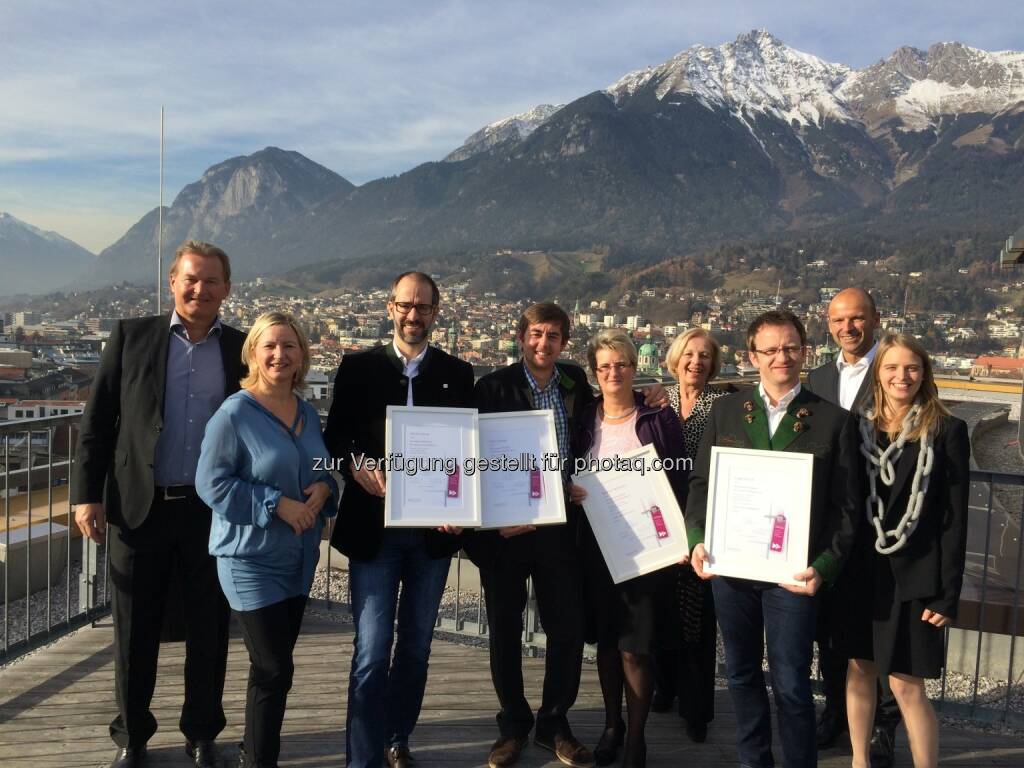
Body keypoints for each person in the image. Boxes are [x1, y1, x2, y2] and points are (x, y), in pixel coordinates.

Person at [466, 303, 665, 768]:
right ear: (521, 337)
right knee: (505, 634)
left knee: (567, 631)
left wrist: (653, 395)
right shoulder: (492, 387)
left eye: (553, 336)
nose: (543, 343)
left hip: (563, 530)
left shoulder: (575, 380)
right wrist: (486, 525)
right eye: (536, 334)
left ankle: (555, 721)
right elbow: (469, 457)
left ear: (564, 342)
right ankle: (513, 724)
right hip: (507, 531)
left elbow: (615, 400)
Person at [72, 241, 243, 768]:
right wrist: (85, 496)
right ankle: (132, 737)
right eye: (191, 279)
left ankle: (201, 733)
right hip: (137, 508)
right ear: (172, 282)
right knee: (133, 630)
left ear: (226, 289)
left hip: (210, 511)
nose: (200, 289)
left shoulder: (241, 347)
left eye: (212, 281)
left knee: (209, 629)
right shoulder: (131, 336)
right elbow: (98, 423)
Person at [687, 309, 861, 768]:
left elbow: (846, 511)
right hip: (733, 569)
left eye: (790, 348)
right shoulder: (727, 409)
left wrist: (823, 569)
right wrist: (697, 540)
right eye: (771, 349)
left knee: (791, 683)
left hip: (794, 576)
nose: (781, 357)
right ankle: (753, 761)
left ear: (804, 352)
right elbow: (703, 484)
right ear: (752, 356)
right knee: (741, 676)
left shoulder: (833, 421)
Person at [323, 271, 474, 768]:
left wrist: (462, 508)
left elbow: (466, 453)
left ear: (436, 311)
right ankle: (361, 760)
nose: (414, 315)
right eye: (405, 305)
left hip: (432, 533)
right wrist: (354, 462)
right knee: (370, 652)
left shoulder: (458, 372)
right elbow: (336, 438)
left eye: (423, 307)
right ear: (390, 308)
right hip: (374, 531)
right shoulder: (357, 366)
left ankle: (397, 737)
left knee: (416, 648)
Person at [196, 312, 339, 768]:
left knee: (273, 669)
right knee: (274, 668)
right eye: (270, 346)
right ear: (253, 353)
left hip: (297, 560)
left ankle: (254, 749)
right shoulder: (234, 414)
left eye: (289, 346)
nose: (280, 354)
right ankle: (260, 759)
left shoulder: (307, 413)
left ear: (302, 356)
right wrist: (275, 504)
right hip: (248, 559)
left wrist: (326, 488)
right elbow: (211, 484)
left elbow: (319, 468)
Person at [844, 334, 969, 768]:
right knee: (859, 670)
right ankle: (860, 761)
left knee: (905, 684)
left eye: (912, 367)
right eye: (892, 368)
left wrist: (947, 594)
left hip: (916, 579)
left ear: (924, 373)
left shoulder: (947, 431)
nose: (902, 376)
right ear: (878, 375)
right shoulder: (856, 427)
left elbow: (955, 519)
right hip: (861, 573)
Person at [572, 329, 688, 768]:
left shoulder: (658, 417)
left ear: (634, 369)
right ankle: (611, 725)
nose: (613, 372)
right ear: (595, 373)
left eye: (621, 364)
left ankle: (636, 737)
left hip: (648, 552)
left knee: (634, 649)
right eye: (604, 366)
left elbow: (677, 481)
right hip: (597, 547)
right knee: (606, 643)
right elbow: (565, 467)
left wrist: (679, 539)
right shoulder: (584, 419)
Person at [806, 287, 902, 766]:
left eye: (858, 318)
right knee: (833, 629)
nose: (849, 327)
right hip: (833, 524)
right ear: (829, 324)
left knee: (880, 630)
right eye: (840, 320)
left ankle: (884, 725)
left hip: (884, 525)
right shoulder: (819, 378)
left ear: (875, 318)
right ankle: (834, 712)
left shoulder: (896, 369)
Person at [650, 328, 726, 743]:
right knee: (662, 608)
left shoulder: (724, 405)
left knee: (697, 618)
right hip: (660, 522)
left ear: (713, 364)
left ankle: (697, 709)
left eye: (704, 356)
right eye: (689, 355)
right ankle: (665, 687)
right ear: (675, 359)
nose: (695, 362)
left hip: (702, 521)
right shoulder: (657, 401)